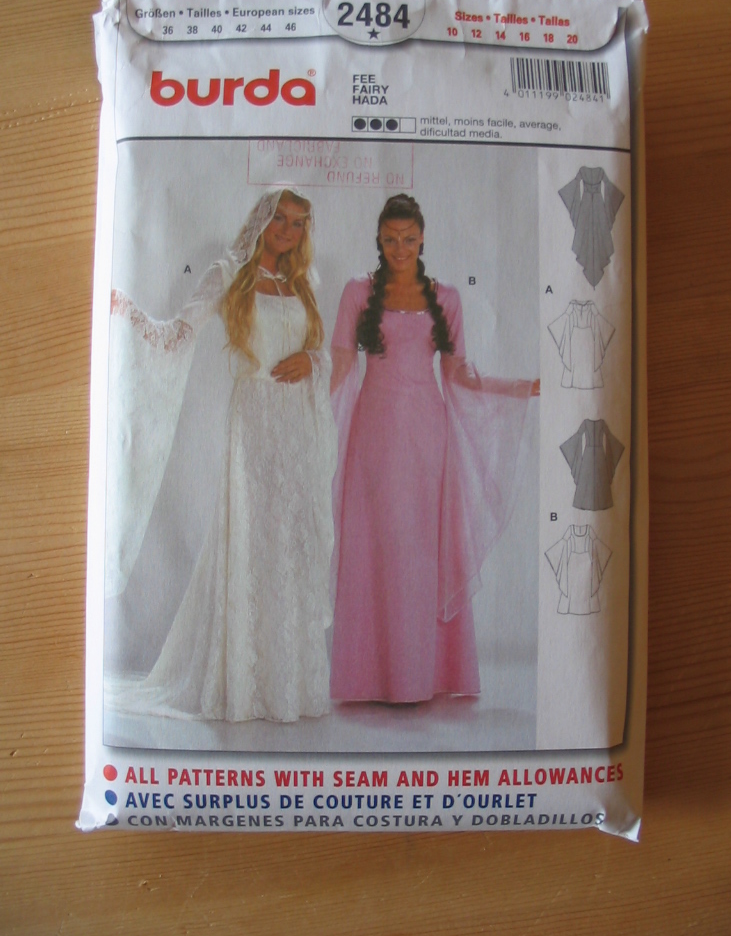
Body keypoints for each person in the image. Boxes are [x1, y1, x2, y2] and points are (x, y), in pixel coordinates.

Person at [106, 187, 336, 723]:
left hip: (298, 426)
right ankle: (244, 683)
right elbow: (178, 335)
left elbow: (318, 351)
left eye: (298, 223)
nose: (287, 230)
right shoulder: (230, 274)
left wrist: (312, 361)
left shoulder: (303, 283)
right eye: (279, 218)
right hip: (254, 419)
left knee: (292, 540)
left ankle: (290, 685)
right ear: (261, 219)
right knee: (252, 536)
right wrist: (131, 317)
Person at [329, 194, 539, 704]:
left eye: (408, 238)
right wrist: (301, 409)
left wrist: (517, 387)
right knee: (374, 545)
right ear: (379, 240)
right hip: (373, 436)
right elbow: (340, 366)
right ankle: (371, 678)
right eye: (390, 239)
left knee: (421, 551)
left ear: (422, 238)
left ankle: (423, 675)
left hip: (427, 438)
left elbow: (459, 375)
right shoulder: (358, 292)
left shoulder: (447, 298)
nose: (400, 247)